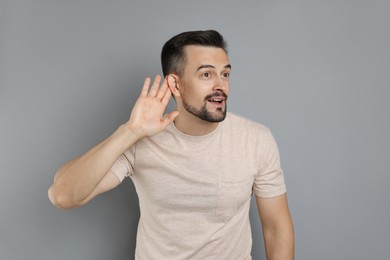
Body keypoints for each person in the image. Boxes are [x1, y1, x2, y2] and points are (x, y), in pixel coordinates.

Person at [48, 30, 294, 260]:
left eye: (225, 73)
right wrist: (130, 131)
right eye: (207, 74)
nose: (221, 85)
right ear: (175, 84)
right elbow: (64, 195)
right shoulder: (140, 141)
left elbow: (276, 228)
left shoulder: (256, 139)